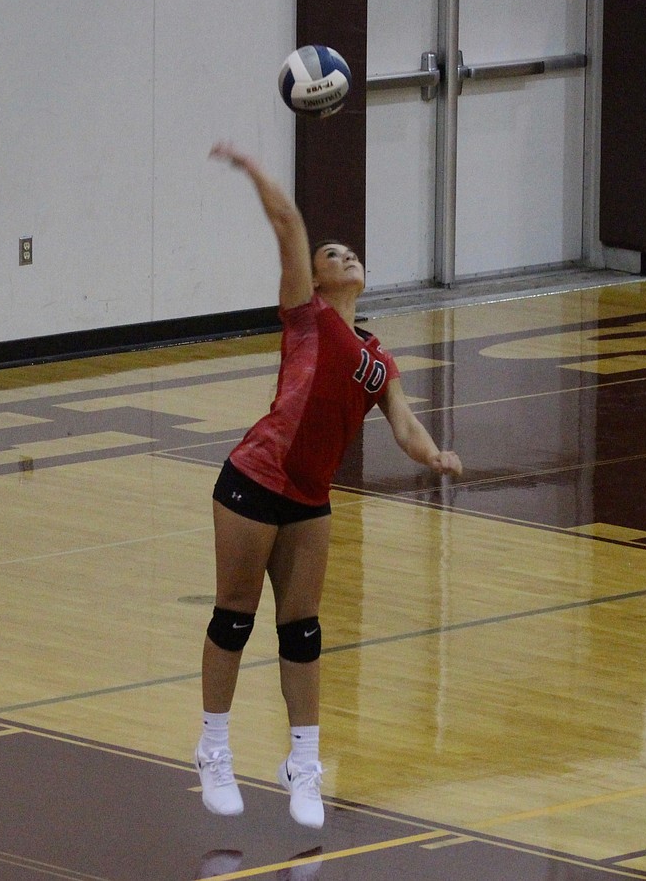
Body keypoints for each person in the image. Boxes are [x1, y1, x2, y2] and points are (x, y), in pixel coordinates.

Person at [195, 142, 463, 828]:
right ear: (313, 281)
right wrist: (254, 171)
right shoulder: (306, 319)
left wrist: (433, 455)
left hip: (311, 498)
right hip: (255, 479)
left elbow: (402, 424)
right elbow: (288, 225)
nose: (342, 256)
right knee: (234, 615)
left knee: (303, 630)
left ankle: (303, 765)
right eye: (330, 254)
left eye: (349, 253)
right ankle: (215, 749)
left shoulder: (377, 358)